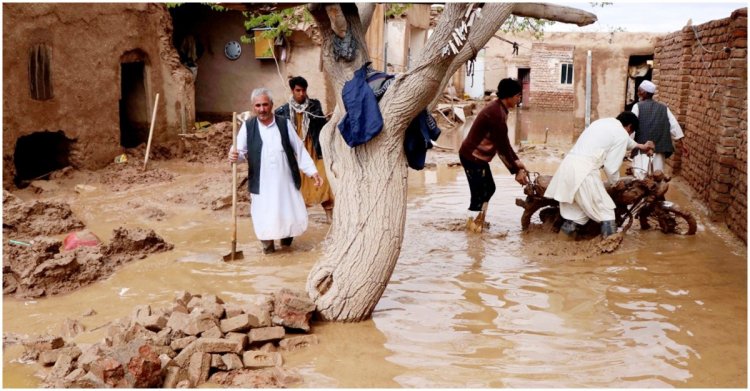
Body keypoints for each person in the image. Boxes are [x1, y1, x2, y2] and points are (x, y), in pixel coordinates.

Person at [228, 88, 322, 254]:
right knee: (264, 215)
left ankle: (287, 247)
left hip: (285, 181)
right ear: (253, 107)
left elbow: (299, 149)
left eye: (265, 105)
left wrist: (312, 172)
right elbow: (239, 153)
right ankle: (268, 249)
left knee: (288, 214)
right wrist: (234, 156)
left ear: (271, 105)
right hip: (261, 182)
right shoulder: (248, 127)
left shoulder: (283, 123)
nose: (262, 109)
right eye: (258, 105)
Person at [544, 112, 654, 239]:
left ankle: (559, 247)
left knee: (576, 216)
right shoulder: (622, 134)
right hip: (585, 173)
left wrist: (641, 146)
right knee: (607, 213)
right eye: (630, 132)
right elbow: (611, 167)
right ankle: (608, 252)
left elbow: (625, 140)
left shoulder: (602, 123)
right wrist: (616, 183)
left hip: (567, 168)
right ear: (629, 127)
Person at [459, 78, 529, 233]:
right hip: (472, 157)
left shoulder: (500, 109)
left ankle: (478, 221)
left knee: (489, 188)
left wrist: (517, 162)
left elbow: (504, 143)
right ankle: (472, 230)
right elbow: (502, 148)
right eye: (518, 95)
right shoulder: (496, 114)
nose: (519, 99)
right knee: (479, 194)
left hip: (478, 158)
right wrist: (516, 171)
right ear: (509, 96)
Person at [274, 76, 335, 222]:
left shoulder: (314, 106)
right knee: (297, 185)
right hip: (295, 153)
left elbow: (321, 125)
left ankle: (329, 217)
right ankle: (298, 220)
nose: (301, 93)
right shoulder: (282, 111)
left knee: (323, 181)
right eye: (298, 90)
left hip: (314, 149)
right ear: (292, 91)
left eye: (304, 90)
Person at [630, 80, 685, 178]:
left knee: (640, 176)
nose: (638, 93)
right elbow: (674, 125)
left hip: (642, 148)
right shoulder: (664, 108)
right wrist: (681, 142)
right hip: (659, 148)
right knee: (657, 176)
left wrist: (629, 143)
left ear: (645, 93)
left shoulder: (637, 106)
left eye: (639, 90)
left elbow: (632, 126)